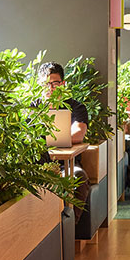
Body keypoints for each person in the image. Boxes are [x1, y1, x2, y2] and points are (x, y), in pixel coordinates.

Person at [37, 62, 91, 224]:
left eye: (55, 83)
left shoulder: (75, 107)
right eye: (46, 84)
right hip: (37, 165)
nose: (51, 88)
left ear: (63, 84)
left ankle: (68, 231)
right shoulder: (31, 108)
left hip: (65, 165)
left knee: (78, 176)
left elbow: (78, 134)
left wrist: (42, 139)